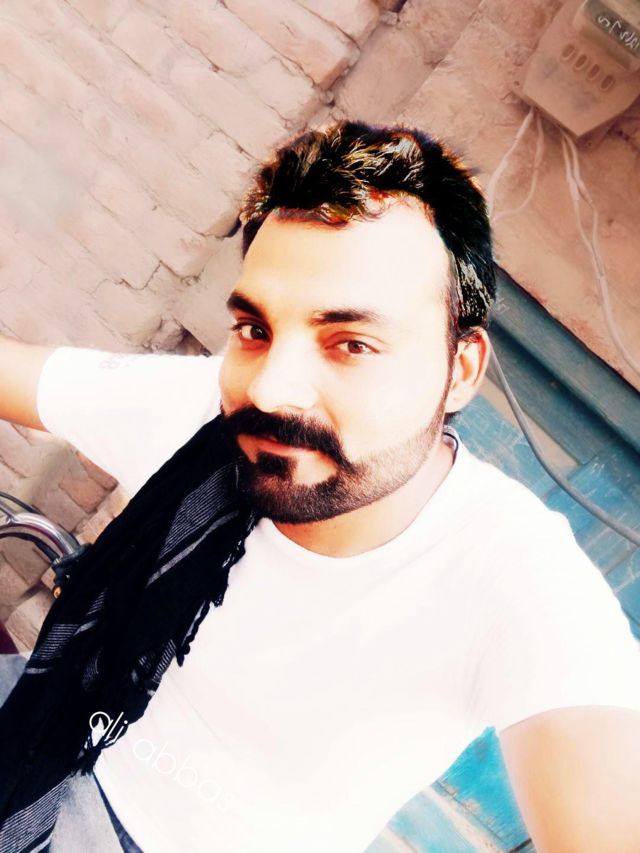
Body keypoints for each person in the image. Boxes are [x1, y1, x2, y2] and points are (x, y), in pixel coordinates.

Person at [1, 120, 640, 853]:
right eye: (255, 330)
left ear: (461, 370)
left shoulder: (513, 573)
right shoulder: (205, 411)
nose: (272, 388)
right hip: (42, 721)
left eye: (352, 343)